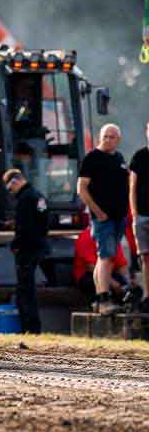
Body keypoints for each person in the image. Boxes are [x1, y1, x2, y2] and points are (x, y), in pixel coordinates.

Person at [78, 123, 129, 314]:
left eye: (111, 137)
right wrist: (97, 212)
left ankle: (103, 298)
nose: (107, 140)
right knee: (105, 257)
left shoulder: (119, 158)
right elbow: (81, 188)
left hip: (119, 217)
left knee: (109, 257)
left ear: (118, 139)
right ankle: (102, 297)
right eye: (105, 136)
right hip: (103, 218)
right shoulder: (92, 158)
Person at [4, 168, 49, 333]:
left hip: (26, 250)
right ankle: (33, 328)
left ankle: (29, 328)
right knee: (29, 289)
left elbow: (24, 228)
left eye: (10, 188)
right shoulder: (38, 195)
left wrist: (15, 245)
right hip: (39, 246)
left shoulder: (24, 198)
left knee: (25, 291)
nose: (11, 192)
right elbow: (41, 223)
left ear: (15, 182)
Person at [129, 122, 149, 313]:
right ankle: (147, 295)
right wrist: (135, 212)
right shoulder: (139, 156)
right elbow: (132, 186)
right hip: (142, 215)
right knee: (145, 258)